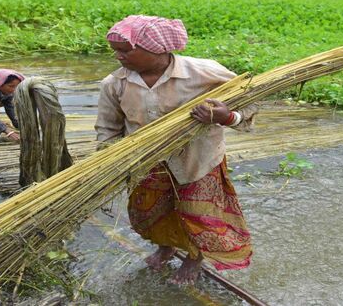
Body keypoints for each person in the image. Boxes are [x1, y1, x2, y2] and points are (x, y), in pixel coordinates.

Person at [95, 15, 257, 285]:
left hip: (198, 161)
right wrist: (112, 159)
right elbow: (108, 128)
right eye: (115, 50)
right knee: (150, 214)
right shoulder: (114, 84)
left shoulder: (205, 73)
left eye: (125, 50)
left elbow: (251, 101)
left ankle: (194, 257)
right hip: (146, 164)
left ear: (158, 49)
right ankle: (165, 246)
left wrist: (226, 117)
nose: (118, 56)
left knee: (199, 216)